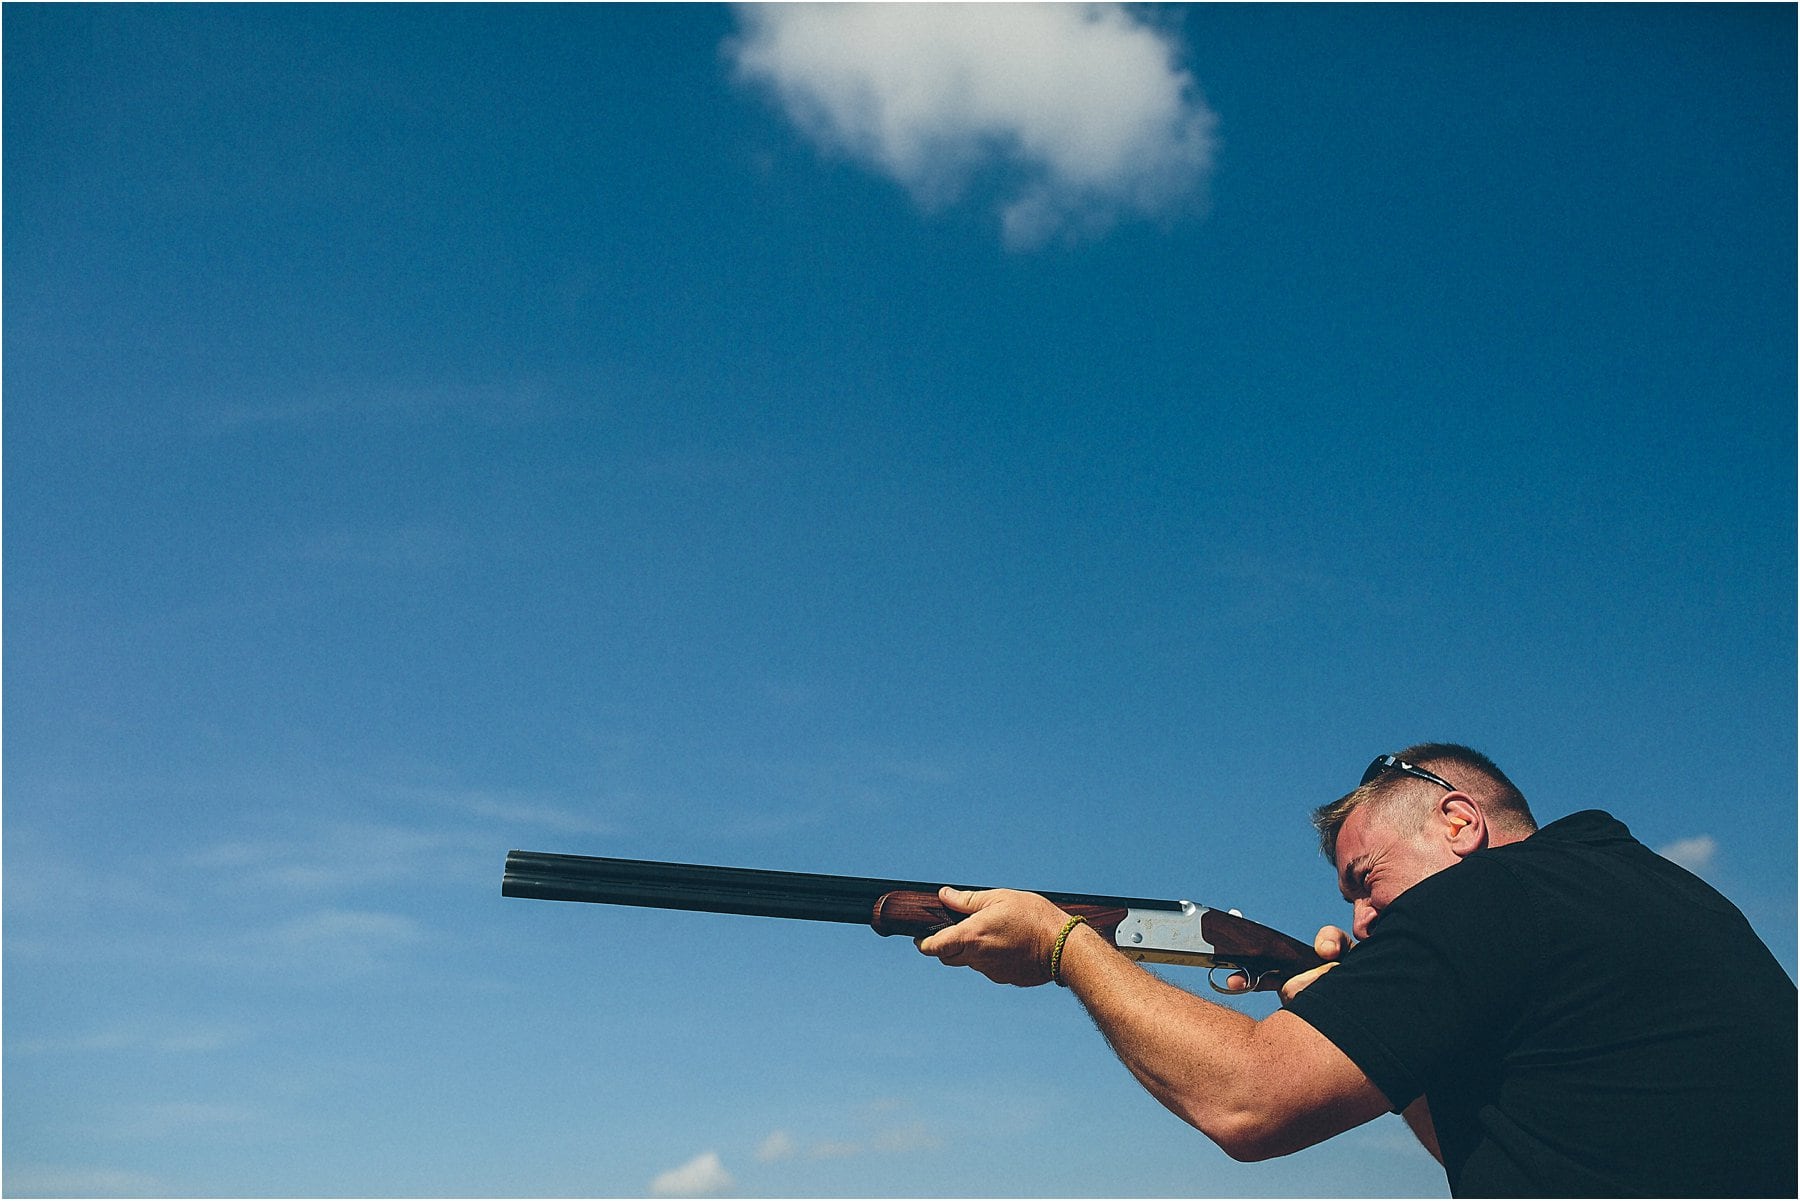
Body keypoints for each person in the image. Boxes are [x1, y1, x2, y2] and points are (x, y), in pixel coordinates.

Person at [916, 743, 1797, 1197]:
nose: (1359, 920)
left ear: (1459, 823)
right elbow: (1490, 1148)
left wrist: (1066, 944)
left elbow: (1248, 1101)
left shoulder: (1491, 895)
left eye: (1364, 881)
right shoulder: (1653, 892)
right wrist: (1374, 1026)